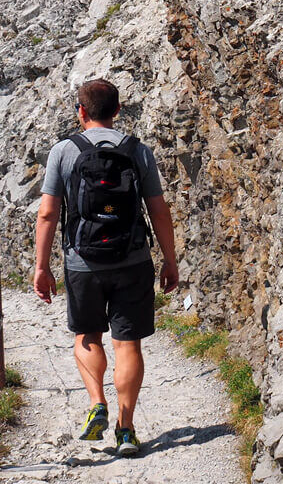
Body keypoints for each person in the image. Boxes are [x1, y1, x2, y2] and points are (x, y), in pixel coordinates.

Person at [33, 78, 179, 455]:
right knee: (128, 344)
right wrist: (169, 260)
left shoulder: (63, 152)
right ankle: (126, 429)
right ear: (118, 110)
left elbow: (48, 213)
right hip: (132, 259)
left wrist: (42, 267)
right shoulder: (137, 150)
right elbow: (158, 211)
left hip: (83, 263)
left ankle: (97, 401)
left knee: (87, 336)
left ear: (80, 112)